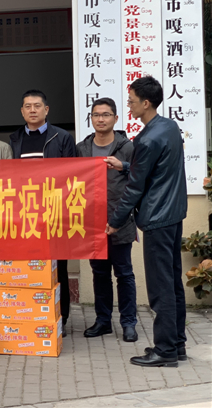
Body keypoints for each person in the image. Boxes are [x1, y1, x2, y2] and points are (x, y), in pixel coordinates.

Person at [105, 77, 187, 367]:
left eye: (131, 101)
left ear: (146, 103)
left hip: (156, 218)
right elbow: (156, 169)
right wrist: (125, 165)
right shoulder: (169, 127)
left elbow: (135, 187)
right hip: (173, 215)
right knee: (172, 281)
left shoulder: (146, 139)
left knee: (160, 287)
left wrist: (115, 221)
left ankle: (164, 350)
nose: (129, 105)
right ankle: (176, 344)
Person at [9, 89, 75, 329]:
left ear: (46, 110)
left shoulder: (62, 137)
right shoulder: (14, 139)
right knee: (28, 265)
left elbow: (72, 174)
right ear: (22, 111)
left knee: (59, 267)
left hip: (55, 212)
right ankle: (32, 314)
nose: (32, 110)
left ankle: (61, 318)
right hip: (24, 214)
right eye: (27, 106)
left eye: (37, 106)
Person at [76, 98, 137, 343]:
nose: (100, 119)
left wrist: (123, 166)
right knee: (99, 273)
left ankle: (129, 323)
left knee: (124, 273)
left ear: (115, 118)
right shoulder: (82, 148)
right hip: (93, 223)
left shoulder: (127, 147)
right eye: (96, 115)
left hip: (120, 220)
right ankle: (103, 321)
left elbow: (141, 175)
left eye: (106, 115)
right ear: (91, 118)